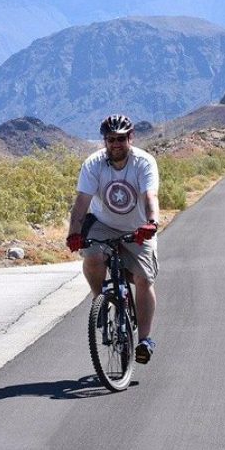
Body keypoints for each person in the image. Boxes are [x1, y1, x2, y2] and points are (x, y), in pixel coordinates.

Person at [66, 114, 160, 364]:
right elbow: (81, 204)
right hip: (103, 225)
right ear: (104, 141)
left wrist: (151, 223)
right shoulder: (93, 164)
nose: (116, 144)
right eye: (111, 139)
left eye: (121, 139)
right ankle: (102, 300)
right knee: (93, 256)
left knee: (142, 278)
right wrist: (73, 233)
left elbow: (150, 196)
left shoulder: (143, 162)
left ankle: (144, 340)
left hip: (139, 227)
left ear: (131, 138)